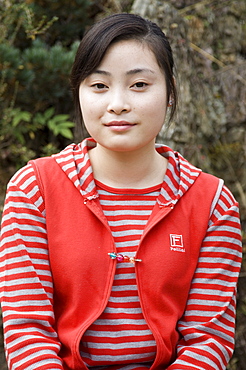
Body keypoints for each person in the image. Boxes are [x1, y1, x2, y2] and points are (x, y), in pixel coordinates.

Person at [0, 13, 242, 370]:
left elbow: (209, 339)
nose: (117, 103)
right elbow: (27, 332)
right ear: (79, 93)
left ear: (171, 91)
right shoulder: (34, 189)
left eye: (139, 85)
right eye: (98, 86)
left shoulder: (212, 203)